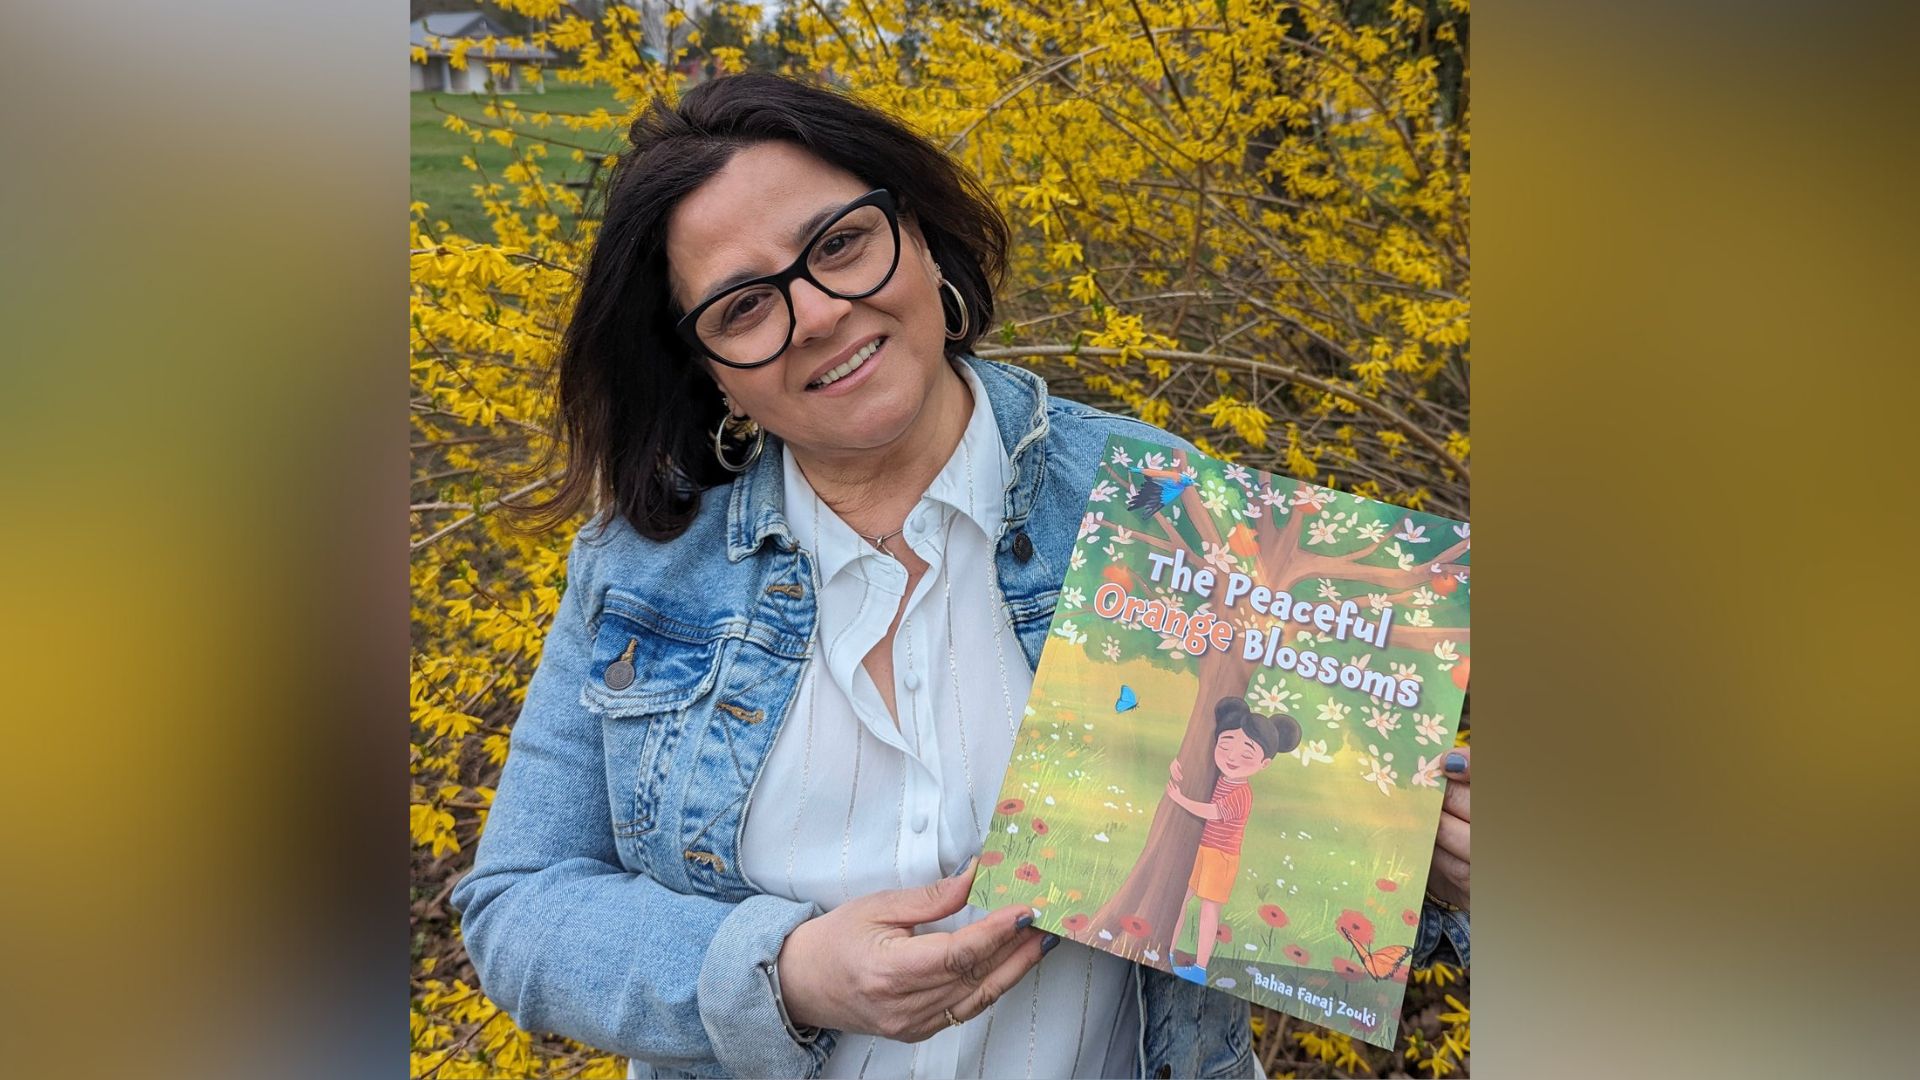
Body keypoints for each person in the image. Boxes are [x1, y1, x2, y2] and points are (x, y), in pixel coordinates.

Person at [448, 72, 1471, 1080]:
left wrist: (1413, 857)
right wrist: (786, 972)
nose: (815, 315)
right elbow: (520, 905)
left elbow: (1272, 851)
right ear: (708, 368)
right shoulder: (644, 573)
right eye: (744, 306)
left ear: (921, 237)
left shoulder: (1163, 504)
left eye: (840, 244)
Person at [1165, 700, 1301, 985]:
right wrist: (1178, 767)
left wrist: (1180, 799)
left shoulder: (1242, 794)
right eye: (1225, 745)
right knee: (1180, 898)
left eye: (1246, 752)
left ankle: (1201, 968)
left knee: (1208, 910)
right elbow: (1194, 775)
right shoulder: (1219, 777)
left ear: (1264, 764)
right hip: (1202, 850)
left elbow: (1213, 812)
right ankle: (1168, 950)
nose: (1232, 756)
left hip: (1222, 857)